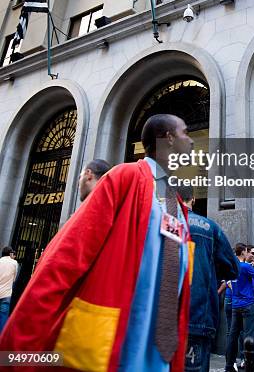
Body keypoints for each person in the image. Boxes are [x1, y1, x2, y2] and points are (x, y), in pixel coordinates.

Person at [0, 114, 194, 372]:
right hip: (110, 350)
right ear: (168, 139)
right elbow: (66, 255)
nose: (191, 142)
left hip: (160, 357)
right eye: (185, 133)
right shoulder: (125, 177)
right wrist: (17, 350)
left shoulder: (179, 205)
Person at [178, 185, 239, 372]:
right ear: (193, 199)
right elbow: (233, 269)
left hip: (161, 319)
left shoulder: (161, 222)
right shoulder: (209, 227)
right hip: (197, 316)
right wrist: (209, 272)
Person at [225, 243, 254, 372]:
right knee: (249, 337)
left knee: (233, 335)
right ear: (244, 252)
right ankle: (250, 367)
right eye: (247, 251)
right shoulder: (245, 267)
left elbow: (234, 280)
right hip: (248, 305)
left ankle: (229, 366)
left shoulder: (233, 267)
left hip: (235, 306)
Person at [0, 247, 18, 333]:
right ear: (10, 254)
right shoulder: (14, 263)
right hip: (6, 293)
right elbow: (14, 279)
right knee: (3, 316)